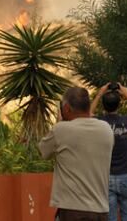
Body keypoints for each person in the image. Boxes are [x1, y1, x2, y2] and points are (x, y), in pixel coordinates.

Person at [39, 87, 114, 221]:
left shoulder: (60, 130)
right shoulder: (106, 129)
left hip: (73, 211)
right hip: (101, 211)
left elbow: (43, 151)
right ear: (88, 106)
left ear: (66, 108)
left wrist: (60, 122)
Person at [90, 83, 127, 221]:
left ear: (104, 106)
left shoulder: (99, 123)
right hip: (126, 175)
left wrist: (100, 93)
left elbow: (88, 114)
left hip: (107, 177)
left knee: (110, 217)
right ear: (119, 105)